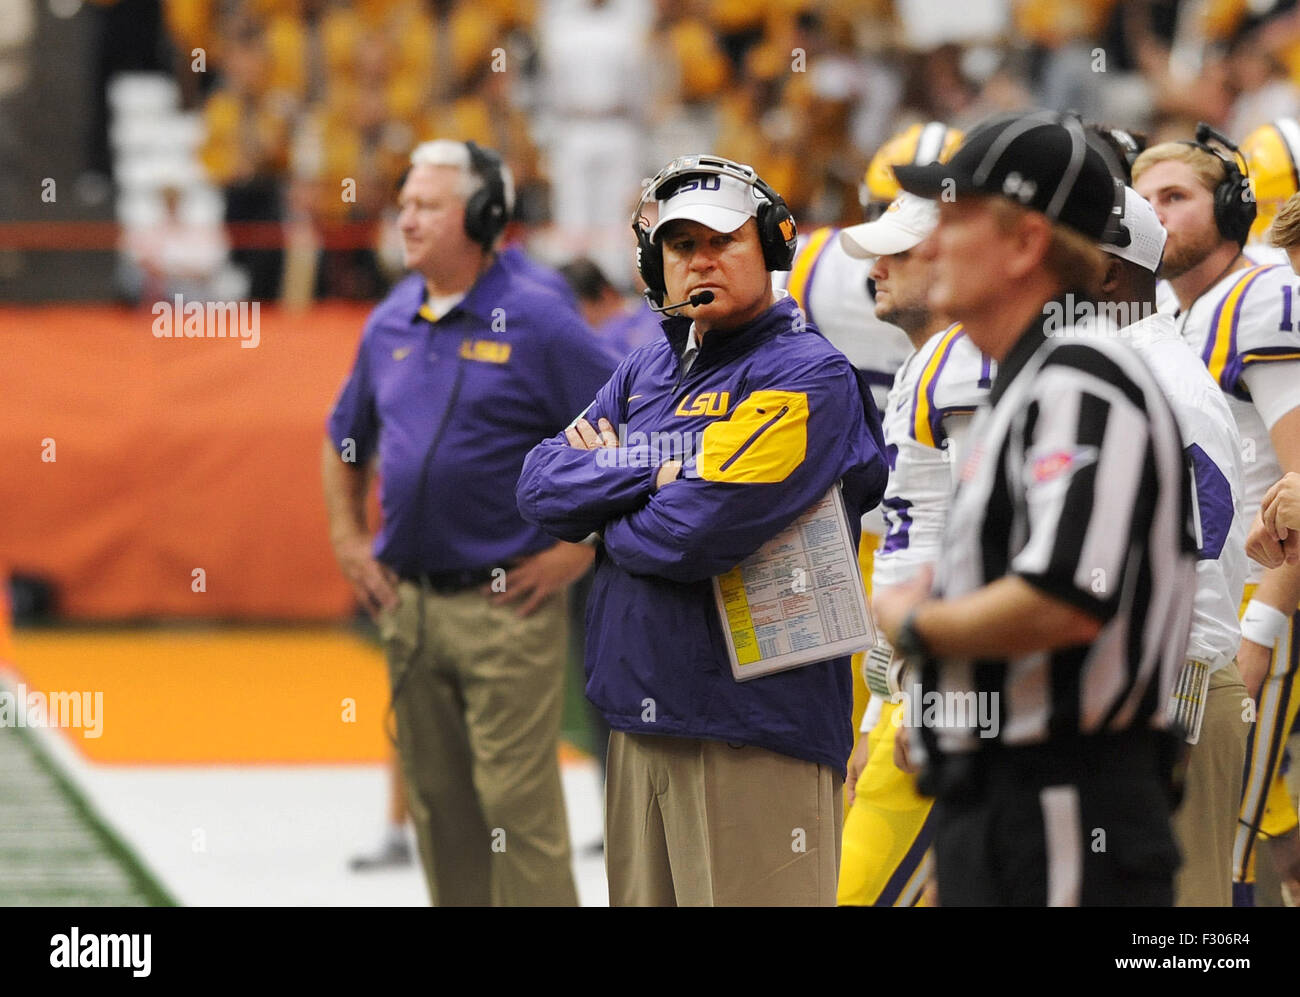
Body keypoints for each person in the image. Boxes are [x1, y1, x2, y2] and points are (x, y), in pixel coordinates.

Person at [516, 154, 889, 906]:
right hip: (638, 724)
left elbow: (689, 538)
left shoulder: (810, 374)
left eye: (724, 240)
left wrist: (606, 514)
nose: (700, 259)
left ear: (773, 249)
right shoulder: (648, 366)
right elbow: (539, 484)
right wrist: (655, 475)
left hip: (755, 731)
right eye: (682, 246)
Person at [874, 110, 1199, 906]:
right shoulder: (1037, 380)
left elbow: (1064, 596)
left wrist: (917, 623)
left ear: (1023, 245)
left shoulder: (1081, 378)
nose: (928, 244)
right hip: (1016, 800)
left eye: (953, 220)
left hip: (1063, 804)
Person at [322, 139, 619, 906]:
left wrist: (578, 549)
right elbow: (344, 438)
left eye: (426, 205)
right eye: (405, 202)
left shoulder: (541, 317)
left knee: (519, 815)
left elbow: (621, 434)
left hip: (506, 607)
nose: (405, 218)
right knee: (441, 816)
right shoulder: (390, 316)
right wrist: (350, 540)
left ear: (484, 216)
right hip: (410, 608)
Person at [1133, 127, 1300, 905]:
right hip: (1225, 591)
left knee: (1221, 852)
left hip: (1258, 600)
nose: (1155, 216)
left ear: (1233, 207)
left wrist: (1259, 628)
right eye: (1145, 200)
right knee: (1266, 840)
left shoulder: (1262, 292)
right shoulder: (1176, 309)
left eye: (1176, 197)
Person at [834, 191, 993, 906]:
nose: (877, 267)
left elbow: (980, 534)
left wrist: (936, 694)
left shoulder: (967, 364)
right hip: (919, 679)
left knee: (855, 891)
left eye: (899, 251)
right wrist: (878, 709)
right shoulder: (934, 362)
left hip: (953, 681)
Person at [1096, 185, 1250, 906]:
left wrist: (1171, 717)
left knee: (1182, 931)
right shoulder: (1101, 366)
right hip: (1115, 689)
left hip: (1169, 687)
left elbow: (1204, 557)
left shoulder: (1168, 382)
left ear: (1105, 271)